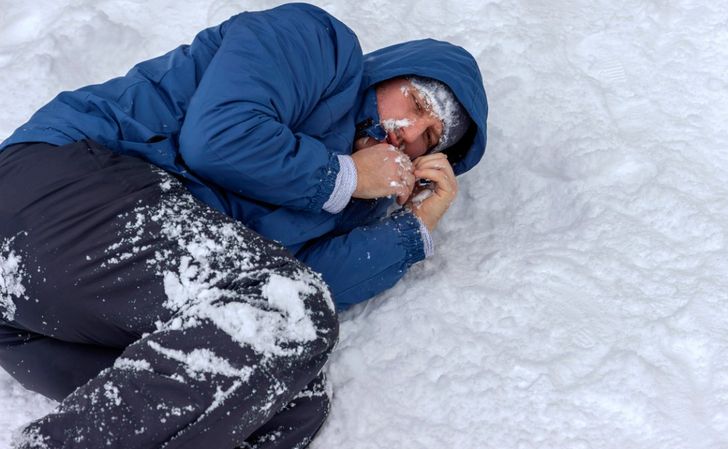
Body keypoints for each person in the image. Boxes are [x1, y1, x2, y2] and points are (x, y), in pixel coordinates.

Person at [0, 3, 488, 449]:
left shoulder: (342, 203)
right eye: (418, 106)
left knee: (291, 399)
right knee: (287, 303)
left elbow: (303, 294)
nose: (409, 135)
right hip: (58, 190)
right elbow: (217, 138)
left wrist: (414, 225)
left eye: (429, 140)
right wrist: (349, 176)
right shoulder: (319, 46)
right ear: (390, 74)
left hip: (41, 323)